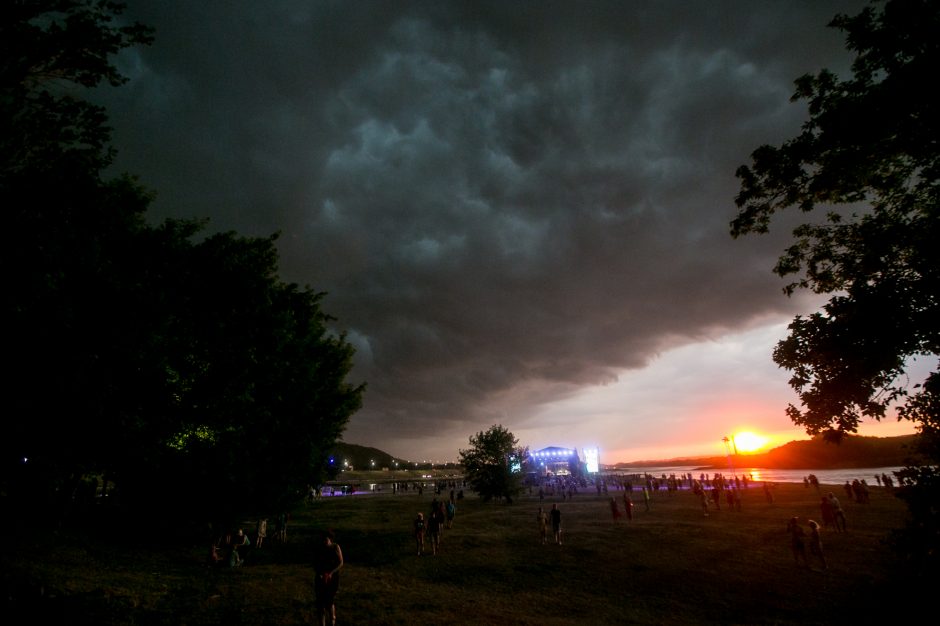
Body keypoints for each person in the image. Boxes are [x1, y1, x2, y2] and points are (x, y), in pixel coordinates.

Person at [313, 529, 344, 626]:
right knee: (320, 603)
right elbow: (315, 563)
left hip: (333, 578)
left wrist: (331, 573)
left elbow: (341, 563)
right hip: (321, 578)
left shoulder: (335, 547)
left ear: (330, 539)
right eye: (322, 540)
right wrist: (319, 573)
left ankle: (332, 620)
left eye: (326, 540)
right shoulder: (319, 548)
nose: (324, 542)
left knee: (329, 601)